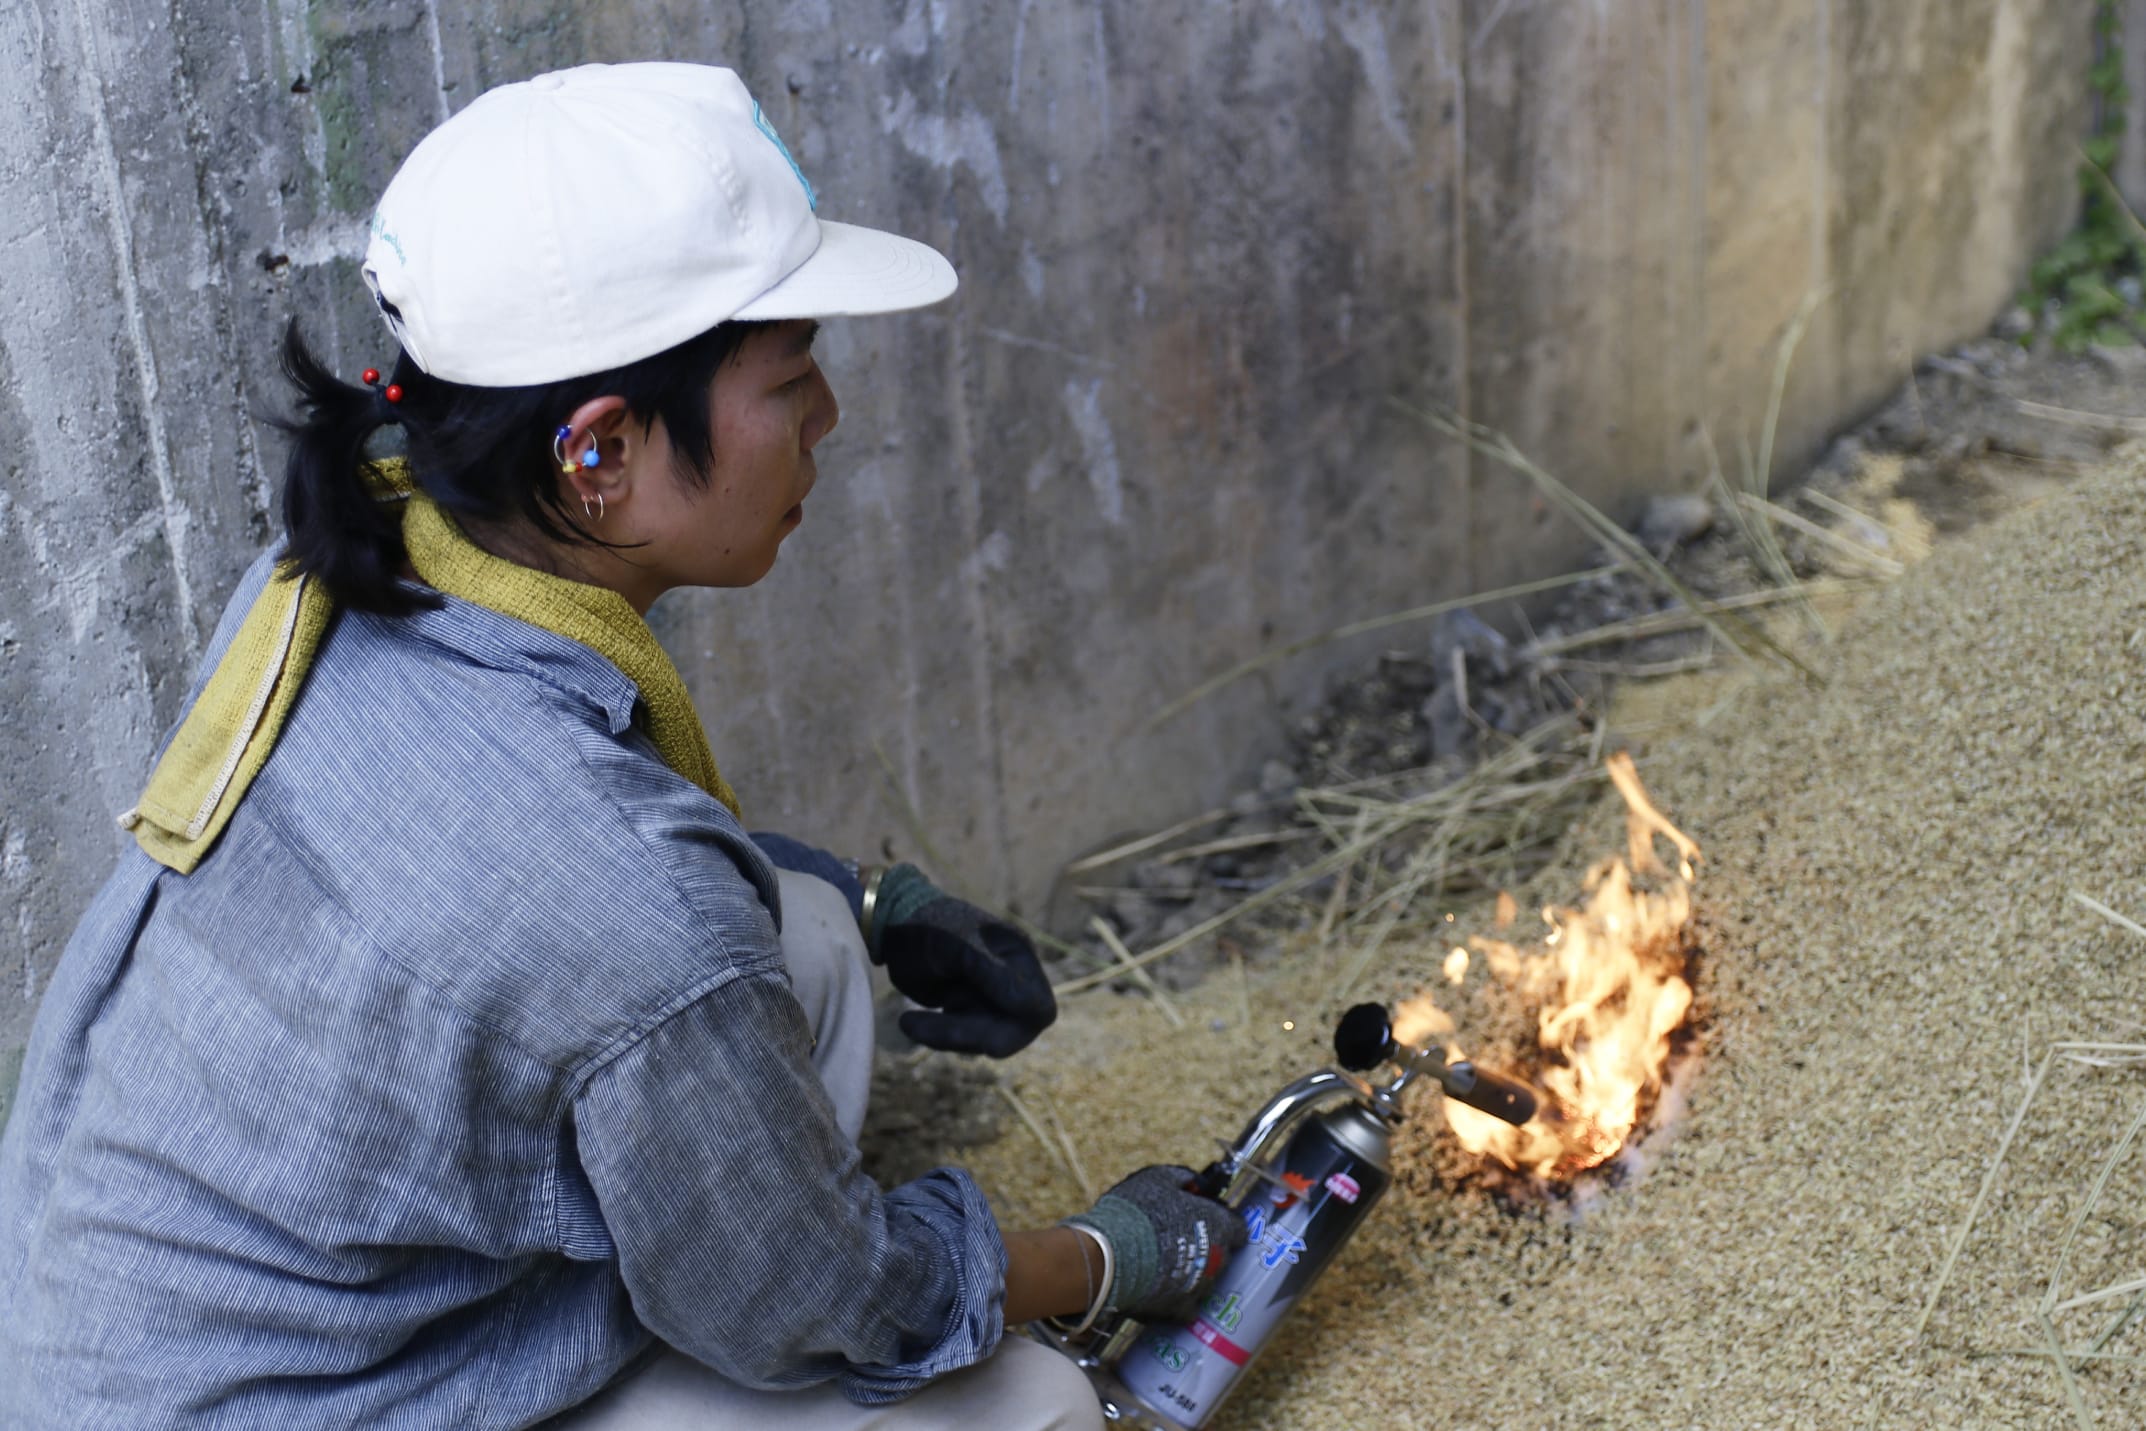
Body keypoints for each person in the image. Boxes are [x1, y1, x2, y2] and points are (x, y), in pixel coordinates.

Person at [0, 62, 1243, 1429]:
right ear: (599, 455)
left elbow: (547, 925)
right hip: (291, 1405)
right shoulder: (623, 894)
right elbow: (821, 1297)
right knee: (1027, 1402)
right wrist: (1096, 1256)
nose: (825, 415)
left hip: (118, 1338)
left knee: (808, 937)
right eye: (789, 376)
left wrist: (878, 903)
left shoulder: (346, 561)